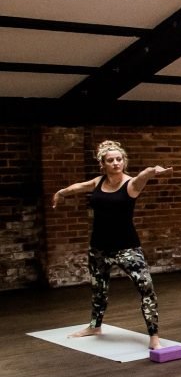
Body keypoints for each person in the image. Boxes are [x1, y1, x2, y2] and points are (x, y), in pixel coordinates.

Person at [51, 140, 173, 350]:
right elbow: (78, 187)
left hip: (127, 248)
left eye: (119, 159)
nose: (116, 163)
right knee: (99, 290)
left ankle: (154, 336)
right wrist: (61, 192)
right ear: (103, 164)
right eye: (111, 160)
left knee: (146, 289)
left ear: (124, 161)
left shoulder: (131, 184)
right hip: (98, 247)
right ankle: (94, 326)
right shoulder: (98, 182)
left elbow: (143, 175)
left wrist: (153, 170)